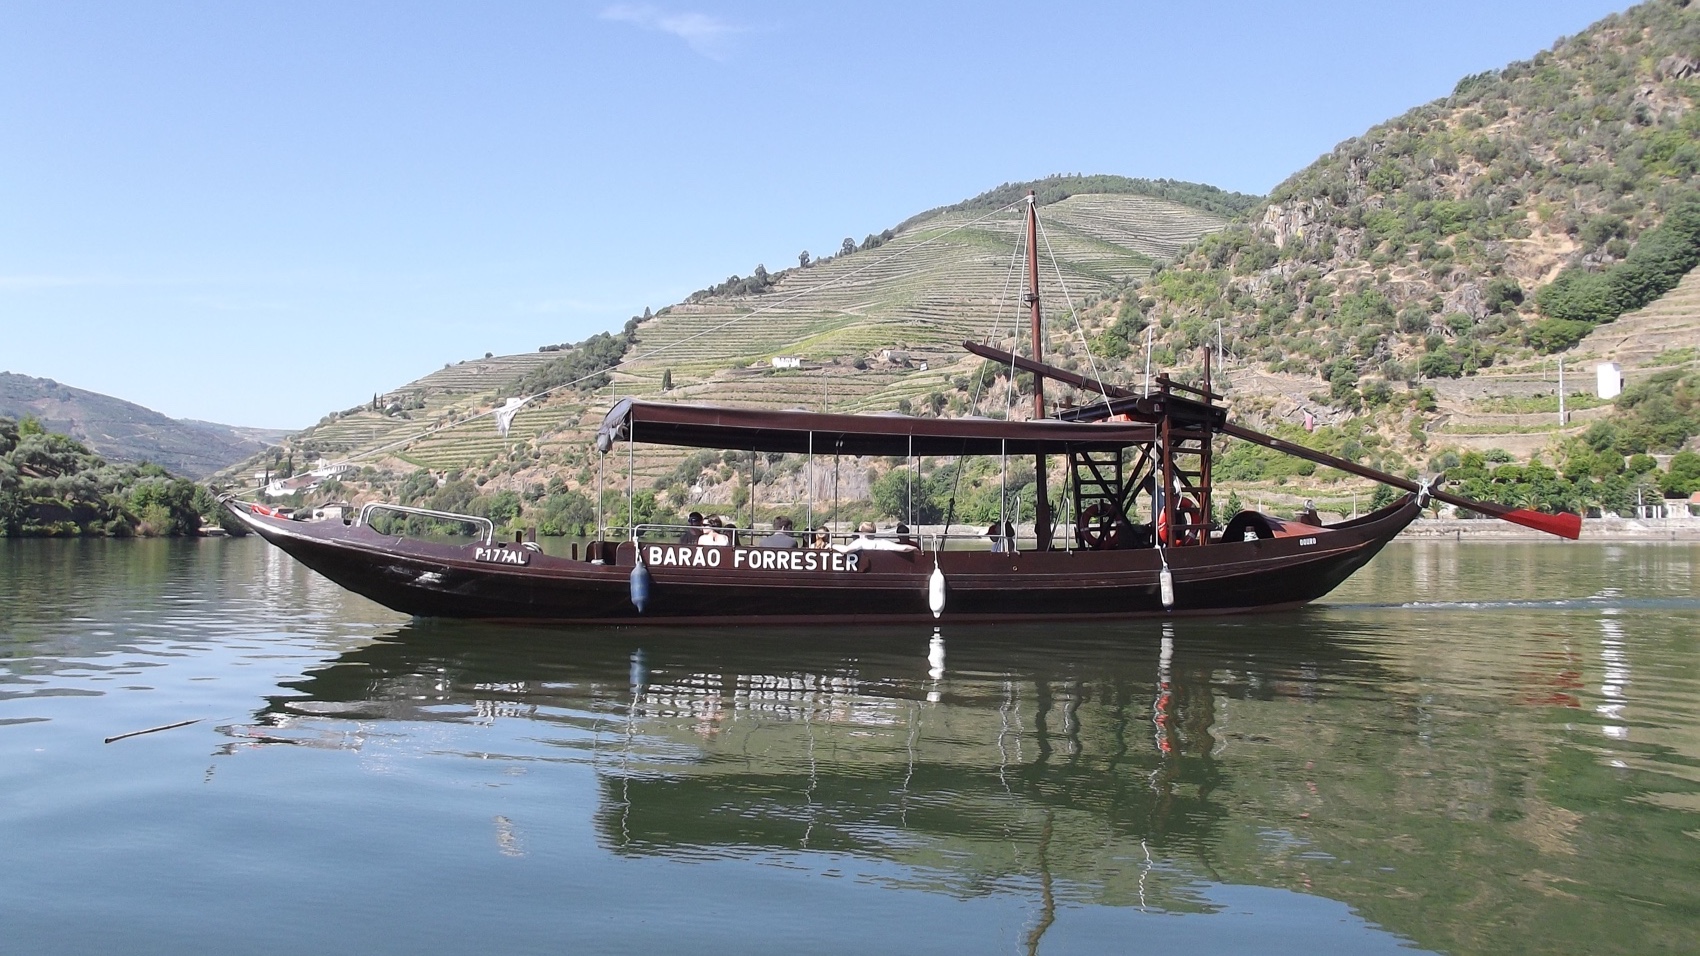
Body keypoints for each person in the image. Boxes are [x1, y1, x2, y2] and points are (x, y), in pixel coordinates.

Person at [842, 520, 917, 552]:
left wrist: (832, 545)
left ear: (862, 533)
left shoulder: (859, 542)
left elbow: (846, 550)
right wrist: (916, 549)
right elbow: (904, 548)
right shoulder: (883, 543)